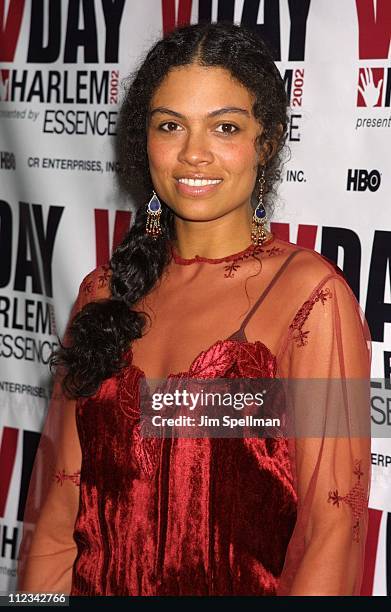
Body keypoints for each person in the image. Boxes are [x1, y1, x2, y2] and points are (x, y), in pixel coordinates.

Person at [17, 22, 372, 596]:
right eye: (170, 126)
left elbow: (334, 529)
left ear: (268, 139)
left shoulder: (308, 297)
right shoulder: (102, 293)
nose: (194, 153)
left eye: (225, 127)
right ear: (145, 139)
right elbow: (61, 515)